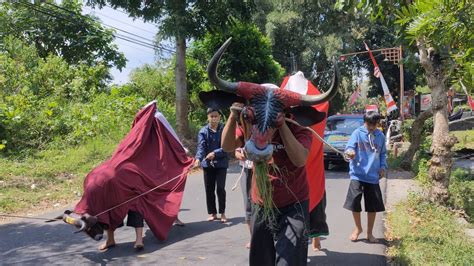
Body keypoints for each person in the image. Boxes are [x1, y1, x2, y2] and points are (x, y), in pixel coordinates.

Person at [222, 103, 312, 266]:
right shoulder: (250, 123)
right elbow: (227, 146)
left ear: (285, 113)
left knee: (289, 262)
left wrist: (281, 125)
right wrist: (233, 116)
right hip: (261, 202)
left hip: (294, 204)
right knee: (261, 261)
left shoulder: (298, 125)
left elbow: (300, 159)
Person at [343, 111, 387, 243]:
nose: (372, 127)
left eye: (374, 124)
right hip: (357, 174)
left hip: (373, 176)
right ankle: (358, 228)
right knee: (354, 202)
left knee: (372, 206)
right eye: (369, 124)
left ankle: (369, 233)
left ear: (377, 123)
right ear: (365, 122)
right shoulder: (357, 133)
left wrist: (383, 167)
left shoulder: (380, 136)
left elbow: (383, 154)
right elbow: (349, 148)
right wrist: (350, 153)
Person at [194, 108, 229, 222]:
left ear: (220, 117)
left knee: (220, 188)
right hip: (208, 164)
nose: (214, 118)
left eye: (216, 116)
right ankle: (212, 213)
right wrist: (198, 159)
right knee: (209, 189)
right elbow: (201, 147)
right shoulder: (203, 131)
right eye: (211, 116)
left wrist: (215, 153)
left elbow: (227, 147)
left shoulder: (224, 129)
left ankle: (222, 213)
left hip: (221, 163)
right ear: (208, 117)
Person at [234, 117, 254, 248]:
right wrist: (239, 154)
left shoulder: (263, 126)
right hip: (246, 170)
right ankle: (253, 237)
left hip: (263, 170)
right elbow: (234, 149)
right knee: (248, 204)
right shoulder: (240, 128)